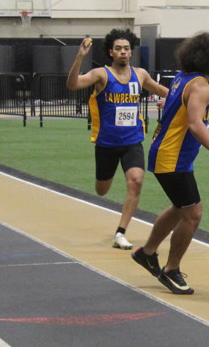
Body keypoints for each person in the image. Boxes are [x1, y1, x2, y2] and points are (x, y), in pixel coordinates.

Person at [131, 32, 209, 295]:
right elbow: (194, 124)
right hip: (173, 158)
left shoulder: (183, 77)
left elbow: (178, 106)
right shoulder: (201, 86)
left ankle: (147, 252)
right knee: (193, 214)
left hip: (169, 154)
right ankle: (171, 270)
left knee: (180, 208)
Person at [66, 29, 169, 250]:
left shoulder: (140, 75)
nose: (123, 52)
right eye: (118, 49)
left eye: (126, 49)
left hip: (132, 141)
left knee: (136, 181)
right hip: (107, 143)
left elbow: (166, 92)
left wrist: (168, 100)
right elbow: (73, 85)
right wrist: (80, 57)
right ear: (111, 52)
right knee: (102, 189)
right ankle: (105, 182)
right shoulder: (101, 74)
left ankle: (120, 233)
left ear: (131, 52)